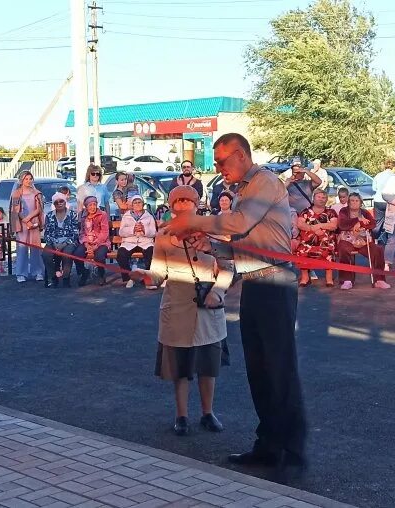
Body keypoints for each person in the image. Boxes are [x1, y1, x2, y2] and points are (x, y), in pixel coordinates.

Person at [161, 133, 307, 475]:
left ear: (240, 155)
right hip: (257, 283)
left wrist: (194, 222)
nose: (218, 168)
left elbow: (239, 224)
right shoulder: (245, 190)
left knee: (279, 368)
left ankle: (291, 453)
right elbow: (242, 244)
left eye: (222, 161)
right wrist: (210, 243)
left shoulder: (265, 182)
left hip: (275, 283)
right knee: (260, 369)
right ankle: (269, 445)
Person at [130, 185, 233, 436]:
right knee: (180, 368)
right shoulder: (164, 234)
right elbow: (158, 272)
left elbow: (229, 267)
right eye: (179, 201)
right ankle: (182, 415)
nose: (184, 205)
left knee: (208, 366)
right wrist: (145, 275)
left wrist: (217, 293)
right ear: (172, 205)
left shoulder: (215, 231)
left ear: (198, 203)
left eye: (189, 200)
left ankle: (208, 413)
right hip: (176, 307)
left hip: (208, 306)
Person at [337, 192, 390, 289]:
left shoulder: (365, 212)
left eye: (356, 201)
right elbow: (342, 224)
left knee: (377, 250)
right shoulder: (343, 211)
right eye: (352, 200)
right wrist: (358, 220)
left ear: (360, 203)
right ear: (348, 202)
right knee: (343, 249)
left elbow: (372, 224)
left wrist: (360, 224)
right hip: (347, 239)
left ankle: (379, 280)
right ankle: (347, 280)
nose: (354, 203)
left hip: (363, 240)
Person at [295, 189, 338, 287]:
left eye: (324, 198)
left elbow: (334, 225)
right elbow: (300, 224)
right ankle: (305, 278)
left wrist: (319, 226)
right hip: (308, 242)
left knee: (328, 249)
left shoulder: (331, 212)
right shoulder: (305, 211)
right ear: (313, 199)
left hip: (326, 241)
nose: (321, 199)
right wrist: (312, 229)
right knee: (302, 250)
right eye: (319, 197)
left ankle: (329, 278)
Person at [9, 171, 45, 283]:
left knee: (36, 248)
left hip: (33, 222)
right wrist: (25, 220)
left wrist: (30, 219)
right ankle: (21, 273)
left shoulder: (37, 193)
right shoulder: (16, 193)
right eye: (26, 179)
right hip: (22, 223)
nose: (29, 181)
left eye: (30, 178)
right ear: (21, 180)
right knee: (22, 248)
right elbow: (15, 210)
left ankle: (38, 271)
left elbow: (39, 209)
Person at [41, 193, 82, 288]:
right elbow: (47, 233)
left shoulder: (72, 214)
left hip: (69, 241)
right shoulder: (49, 215)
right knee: (46, 254)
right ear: (54, 204)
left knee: (67, 254)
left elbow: (75, 233)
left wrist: (64, 244)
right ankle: (52, 277)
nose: (59, 203)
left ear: (65, 202)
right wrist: (55, 244)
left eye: (61, 201)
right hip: (53, 242)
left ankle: (66, 278)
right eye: (56, 202)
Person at [117, 196, 157, 288]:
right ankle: (129, 278)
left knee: (151, 252)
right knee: (121, 254)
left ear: (143, 204)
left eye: (140, 202)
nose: (138, 204)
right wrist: (132, 229)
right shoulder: (126, 216)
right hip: (129, 242)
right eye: (135, 203)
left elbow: (154, 233)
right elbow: (121, 232)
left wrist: (144, 229)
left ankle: (148, 279)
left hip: (145, 241)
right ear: (132, 205)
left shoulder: (149, 216)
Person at [73, 196, 110, 286]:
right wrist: (86, 244)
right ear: (86, 206)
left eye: (94, 204)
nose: (93, 207)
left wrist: (96, 244)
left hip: (101, 242)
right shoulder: (83, 215)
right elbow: (82, 232)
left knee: (99, 256)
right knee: (77, 254)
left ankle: (101, 275)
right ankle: (84, 273)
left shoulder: (103, 214)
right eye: (90, 205)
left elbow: (104, 232)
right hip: (87, 241)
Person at [371, 160, 395, 242]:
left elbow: (373, 188)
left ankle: (375, 239)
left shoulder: (378, 175)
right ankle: (389, 238)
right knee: (390, 220)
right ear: (394, 167)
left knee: (378, 221)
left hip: (378, 200)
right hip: (390, 201)